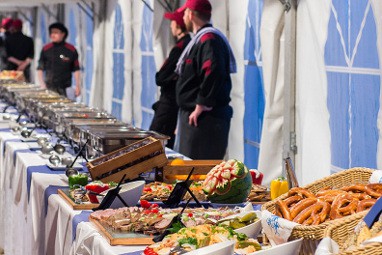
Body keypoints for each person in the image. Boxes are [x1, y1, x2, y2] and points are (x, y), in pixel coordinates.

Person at [174, 0, 237, 159]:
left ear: (191, 14)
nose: (183, 17)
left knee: (196, 174)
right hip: (196, 119)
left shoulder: (209, 39)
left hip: (204, 121)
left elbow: (213, 70)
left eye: (185, 13)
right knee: (188, 171)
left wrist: (202, 104)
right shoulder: (201, 39)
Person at [149, 9, 191, 149]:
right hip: (175, 103)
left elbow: (161, 77)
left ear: (178, 25)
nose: (171, 26)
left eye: (173, 22)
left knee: (154, 144)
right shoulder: (188, 44)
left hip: (169, 103)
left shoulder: (180, 47)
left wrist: (162, 74)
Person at [37, 22, 81, 98]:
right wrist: (42, 84)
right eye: (51, 32)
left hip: (66, 88)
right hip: (49, 87)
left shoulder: (71, 49)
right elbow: (40, 68)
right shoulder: (46, 49)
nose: (52, 35)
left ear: (63, 34)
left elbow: (76, 69)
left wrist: (78, 85)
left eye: (56, 32)